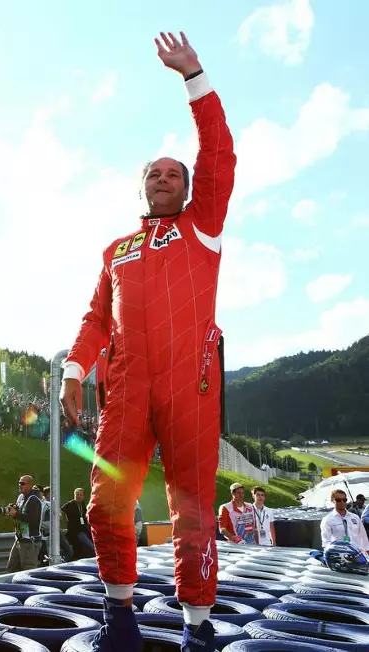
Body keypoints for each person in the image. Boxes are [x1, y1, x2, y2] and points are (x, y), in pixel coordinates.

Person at [58, 31, 236, 652]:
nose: (163, 179)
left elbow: (218, 153)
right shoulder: (117, 251)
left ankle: (197, 626)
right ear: (142, 189)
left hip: (191, 383)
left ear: (188, 190)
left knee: (192, 509)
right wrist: (74, 373)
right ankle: (120, 615)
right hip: (128, 389)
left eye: (173, 174)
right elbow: (94, 321)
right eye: (153, 174)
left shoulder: (202, 230)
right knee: (107, 502)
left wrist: (194, 78)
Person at [6, 475, 44, 572]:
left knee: (27, 571)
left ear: (30, 485)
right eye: (19, 483)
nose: (19, 485)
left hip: (30, 542)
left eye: (22, 483)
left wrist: (16, 514)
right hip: (20, 539)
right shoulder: (22, 498)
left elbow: (33, 520)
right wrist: (13, 510)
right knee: (11, 569)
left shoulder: (34, 500)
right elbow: (21, 513)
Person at [321, 489, 369, 556]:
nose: (342, 502)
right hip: (340, 556)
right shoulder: (327, 520)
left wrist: (367, 551)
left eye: (344, 500)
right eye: (338, 500)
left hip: (358, 555)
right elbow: (326, 542)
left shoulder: (355, 517)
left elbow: (363, 537)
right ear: (332, 501)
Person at [62, 487, 95, 559]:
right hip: (75, 530)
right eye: (77, 494)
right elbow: (62, 512)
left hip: (84, 529)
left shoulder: (83, 505)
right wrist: (66, 521)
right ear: (74, 495)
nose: (79, 496)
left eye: (81, 495)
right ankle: (94, 554)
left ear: (83, 496)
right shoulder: (69, 505)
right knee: (88, 544)